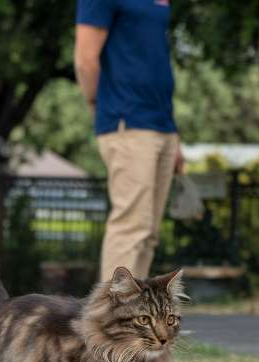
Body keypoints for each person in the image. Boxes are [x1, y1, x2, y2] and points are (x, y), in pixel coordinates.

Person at [74, 0, 184, 281]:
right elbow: (85, 60)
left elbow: (152, 61)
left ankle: (134, 319)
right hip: (127, 120)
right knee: (131, 227)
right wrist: (100, 104)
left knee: (148, 234)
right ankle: (111, 318)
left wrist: (174, 136)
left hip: (161, 123)